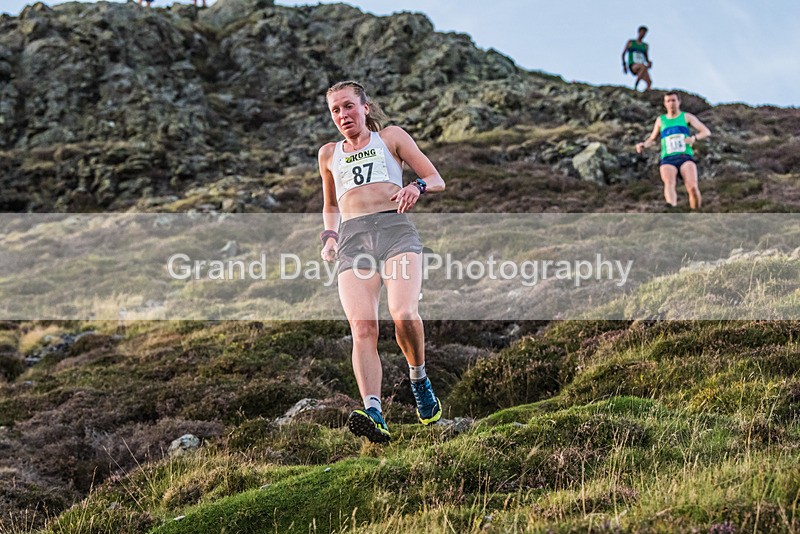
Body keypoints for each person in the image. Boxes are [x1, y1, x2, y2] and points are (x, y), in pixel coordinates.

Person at [318, 80, 446, 444]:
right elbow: (331, 204)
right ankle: (373, 411)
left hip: (395, 231)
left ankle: (418, 378)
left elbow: (435, 178)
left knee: (403, 313)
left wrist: (415, 187)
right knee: (362, 328)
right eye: (335, 110)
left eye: (348, 106)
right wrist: (329, 236)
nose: (343, 115)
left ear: (365, 107)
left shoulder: (390, 137)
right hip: (354, 239)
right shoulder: (328, 154)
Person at [636, 91, 712, 209]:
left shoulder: (686, 117)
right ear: (665, 104)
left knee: (692, 187)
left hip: (685, 156)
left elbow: (706, 131)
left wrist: (693, 138)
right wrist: (643, 145)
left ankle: (696, 211)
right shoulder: (661, 120)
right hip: (668, 158)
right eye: (668, 101)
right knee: (669, 183)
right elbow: (652, 139)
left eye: (673, 100)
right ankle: (672, 210)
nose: (671, 103)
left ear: (679, 102)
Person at [622, 26, 653, 92]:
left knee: (649, 82)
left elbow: (646, 58)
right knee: (642, 67)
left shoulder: (645, 46)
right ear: (639, 32)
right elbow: (623, 54)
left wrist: (649, 63)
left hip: (642, 67)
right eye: (642, 32)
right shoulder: (631, 42)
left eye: (645, 33)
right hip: (633, 65)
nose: (643, 35)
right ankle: (636, 86)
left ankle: (644, 95)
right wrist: (624, 65)